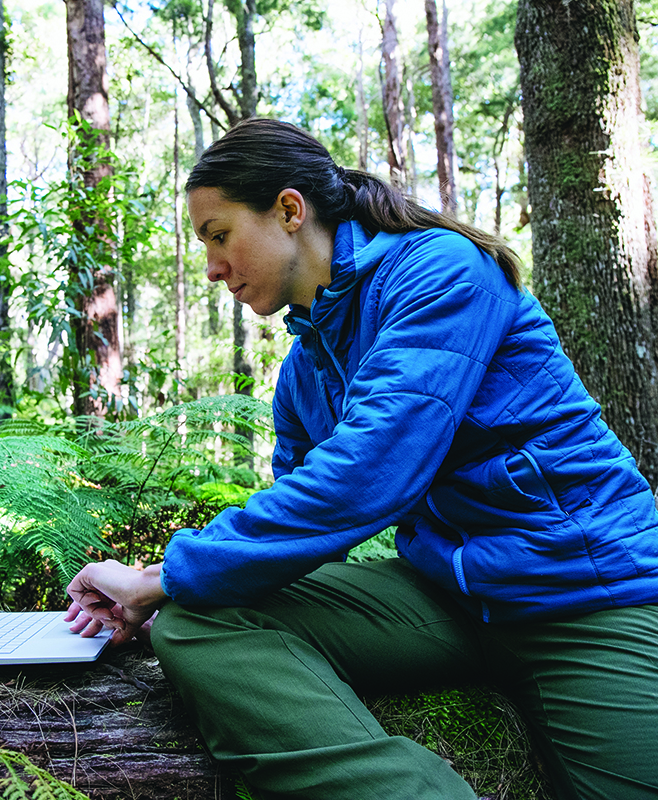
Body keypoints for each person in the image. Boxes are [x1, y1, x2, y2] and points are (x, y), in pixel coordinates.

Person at [64, 118, 658, 800]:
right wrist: (158, 590)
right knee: (201, 620)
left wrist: (170, 572)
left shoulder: (441, 273)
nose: (211, 268)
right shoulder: (303, 372)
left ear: (290, 211)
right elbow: (299, 536)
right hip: (451, 600)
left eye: (219, 235)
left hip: (582, 595)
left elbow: (368, 472)